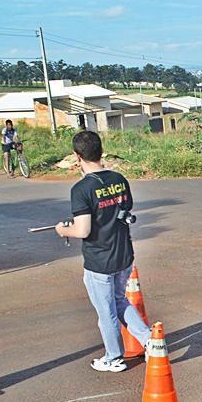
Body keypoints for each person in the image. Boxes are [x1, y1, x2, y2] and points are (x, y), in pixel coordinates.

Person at [55, 130, 151, 372]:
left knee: (106, 310)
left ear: (78, 157)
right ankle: (150, 341)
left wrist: (63, 230)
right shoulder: (119, 179)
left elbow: (83, 230)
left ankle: (113, 357)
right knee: (119, 300)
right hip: (124, 254)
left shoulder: (81, 189)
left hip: (100, 260)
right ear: (100, 151)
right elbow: (122, 211)